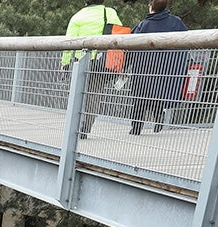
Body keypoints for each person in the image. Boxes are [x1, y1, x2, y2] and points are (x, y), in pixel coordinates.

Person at [63, 0, 124, 138]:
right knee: (94, 96)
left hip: (81, 61)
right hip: (102, 62)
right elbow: (119, 35)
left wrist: (65, 63)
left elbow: (68, 42)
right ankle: (86, 127)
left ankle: (75, 125)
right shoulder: (110, 12)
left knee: (76, 94)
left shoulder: (78, 16)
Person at [129, 0, 189, 135]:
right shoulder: (176, 22)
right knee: (157, 93)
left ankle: (136, 127)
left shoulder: (144, 24)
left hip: (144, 67)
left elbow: (131, 42)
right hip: (166, 67)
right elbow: (187, 38)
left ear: (151, 7)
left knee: (140, 97)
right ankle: (159, 117)